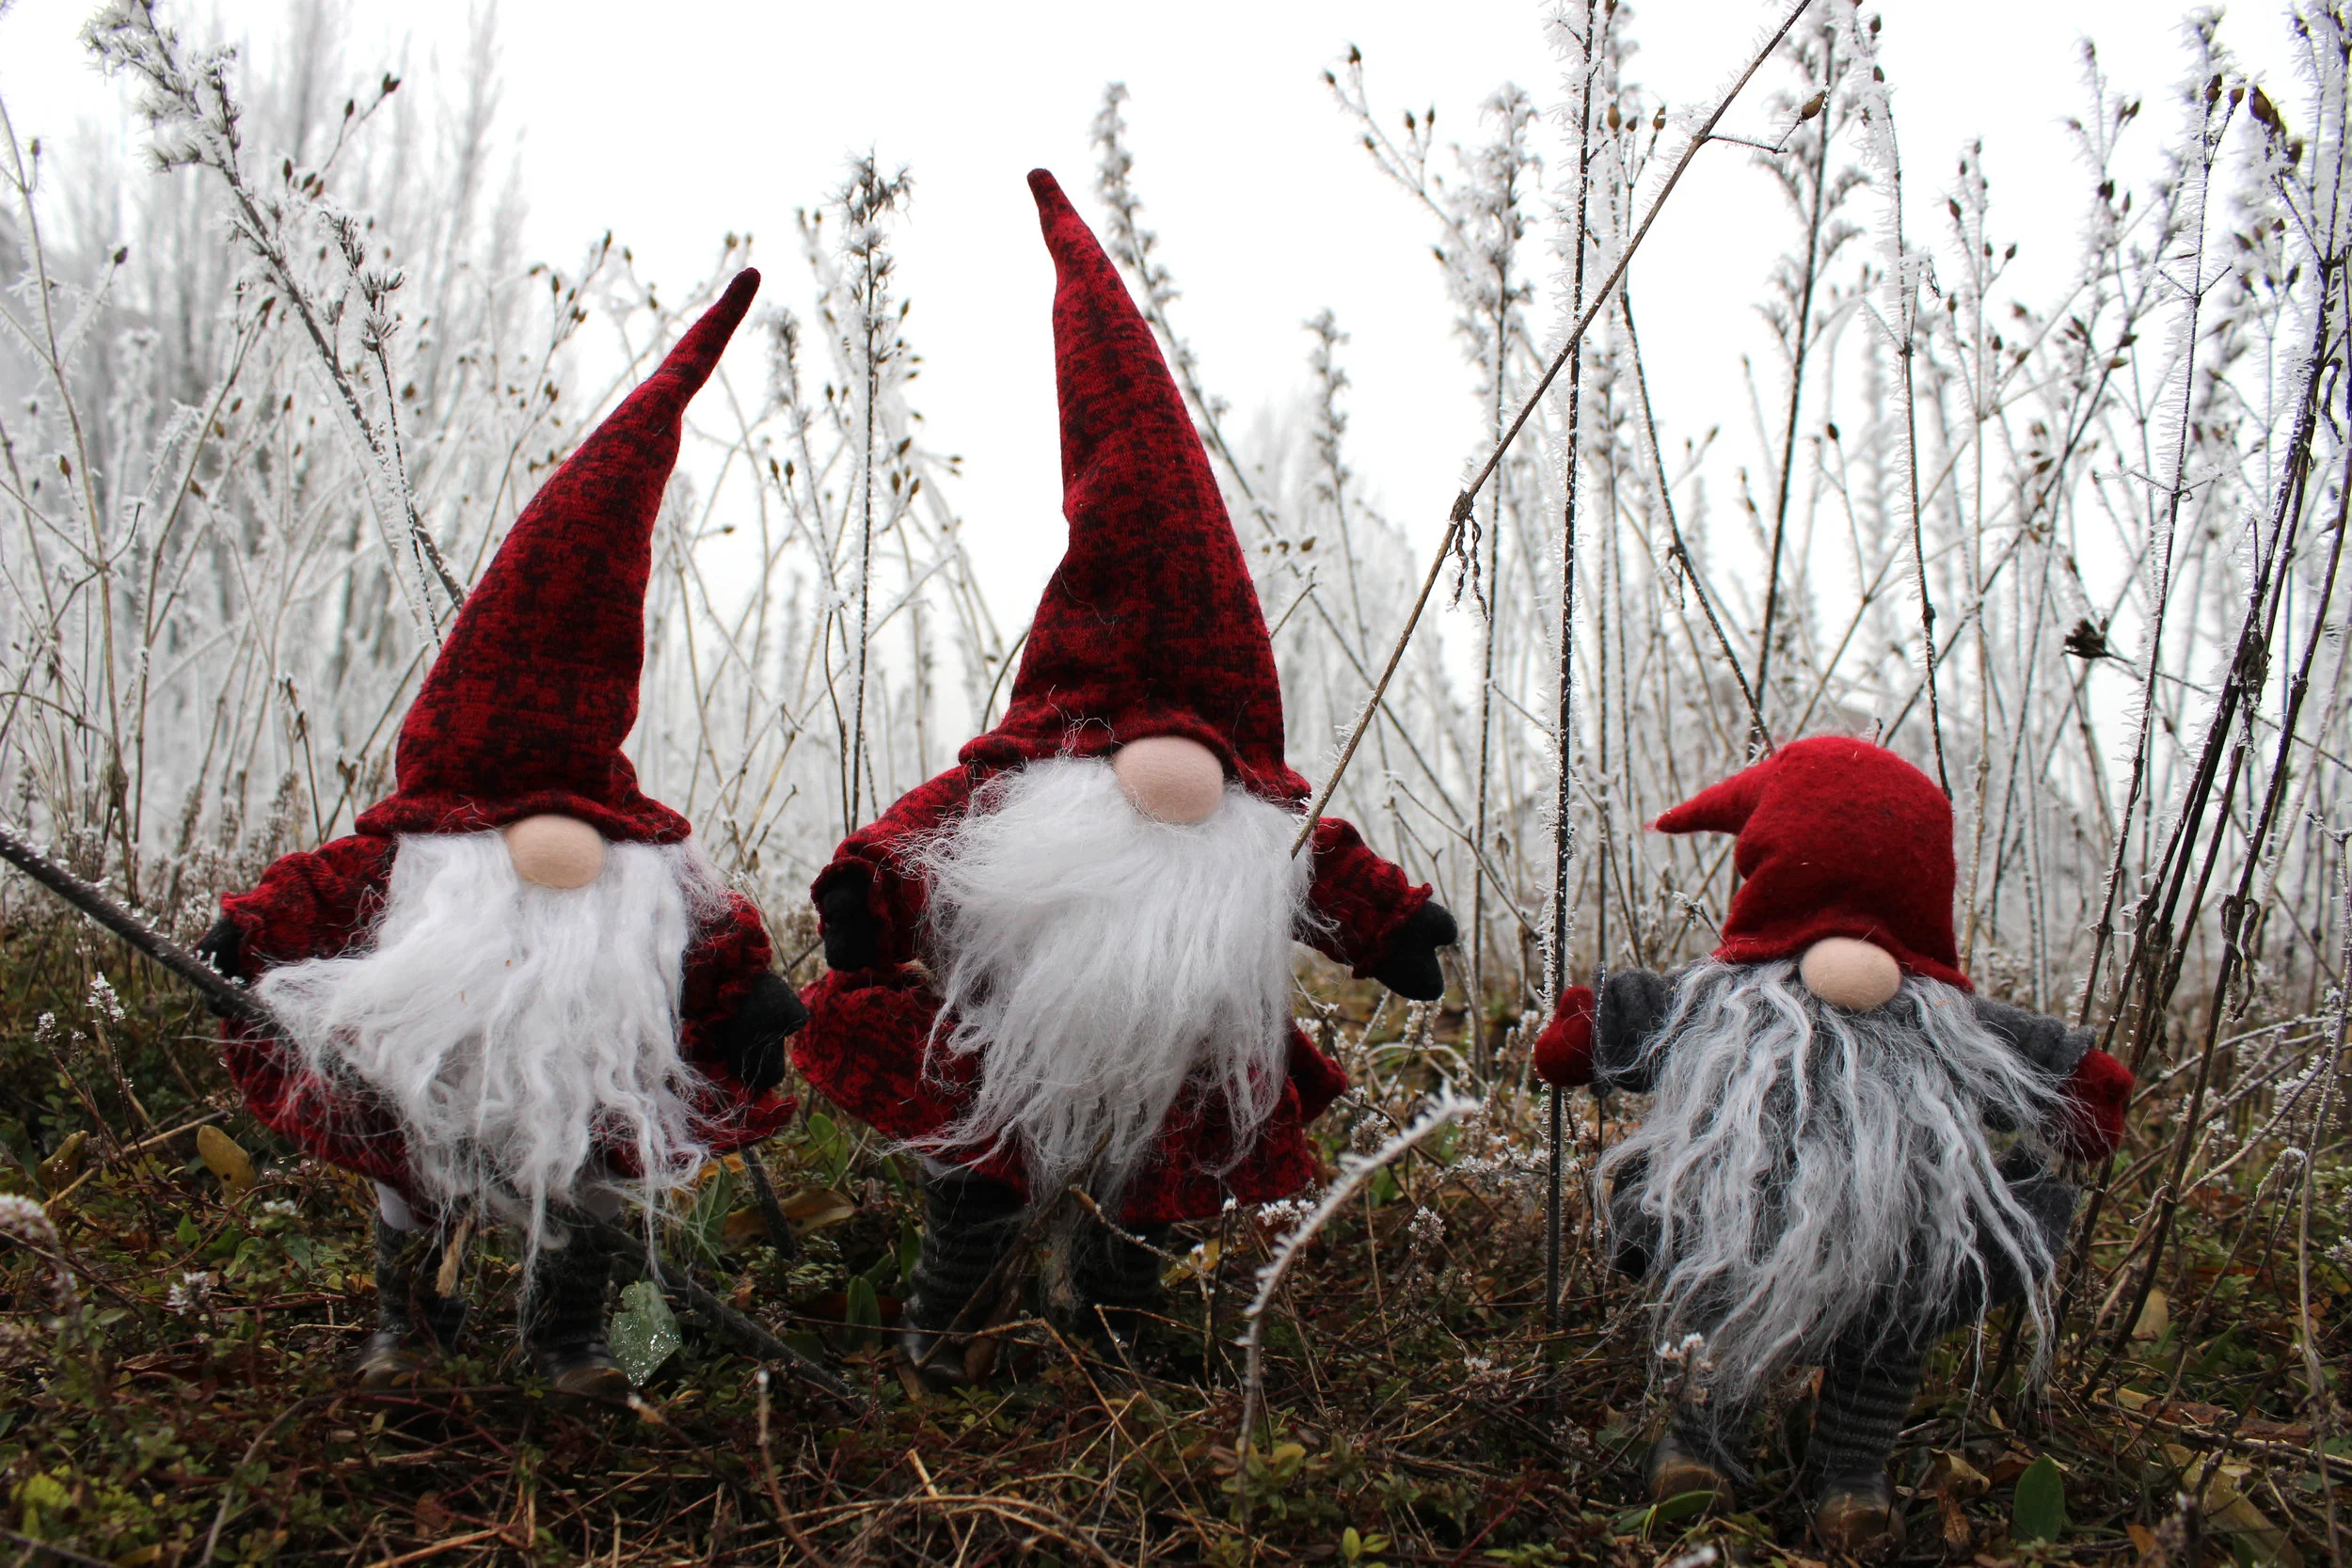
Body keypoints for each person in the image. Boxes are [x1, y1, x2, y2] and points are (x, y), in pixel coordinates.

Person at [792, 171, 1457, 1382]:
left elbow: (1325, 865)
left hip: (1179, 1060)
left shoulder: (1261, 813)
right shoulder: (1023, 778)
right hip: (1008, 1037)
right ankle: (954, 1338)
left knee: (1149, 1204)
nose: (1171, 771)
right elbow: (919, 834)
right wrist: (868, 892)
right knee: (981, 1176)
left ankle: (1112, 1336)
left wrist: (1392, 924)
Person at [200, 274, 804, 1400]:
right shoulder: (418, 841)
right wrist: (247, 930)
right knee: (411, 1173)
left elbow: (717, 937)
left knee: (591, 1188)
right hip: (438, 1062)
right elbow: (315, 890)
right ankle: (412, 1332)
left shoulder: (644, 856)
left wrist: (749, 992)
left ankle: (577, 1346)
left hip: (588, 1074)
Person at [1533, 736, 2131, 1549]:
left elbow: (2035, 1060)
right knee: (1724, 1305)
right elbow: (1645, 1014)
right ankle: (1701, 1449)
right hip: (1738, 1219)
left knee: (1893, 1319)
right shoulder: (1727, 999)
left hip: (1903, 1228)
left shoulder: (1944, 1024)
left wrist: (2075, 1084)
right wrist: (1594, 1028)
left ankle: (1851, 1473)